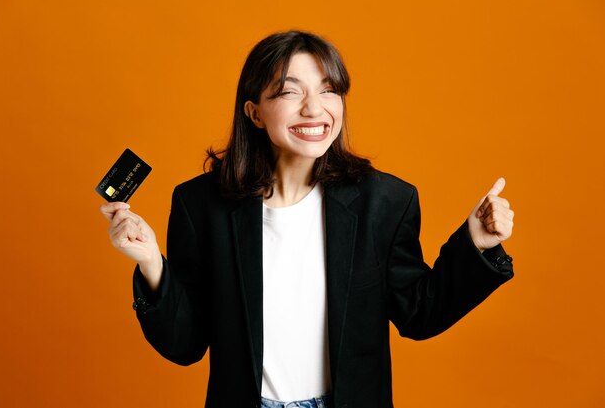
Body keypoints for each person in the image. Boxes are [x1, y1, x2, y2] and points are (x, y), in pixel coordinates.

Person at [100, 30, 514, 408]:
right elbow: (185, 344)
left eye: (329, 91)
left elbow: (420, 314)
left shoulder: (384, 201)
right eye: (288, 92)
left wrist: (476, 242)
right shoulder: (201, 205)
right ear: (254, 112)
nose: (314, 108)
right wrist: (151, 263)